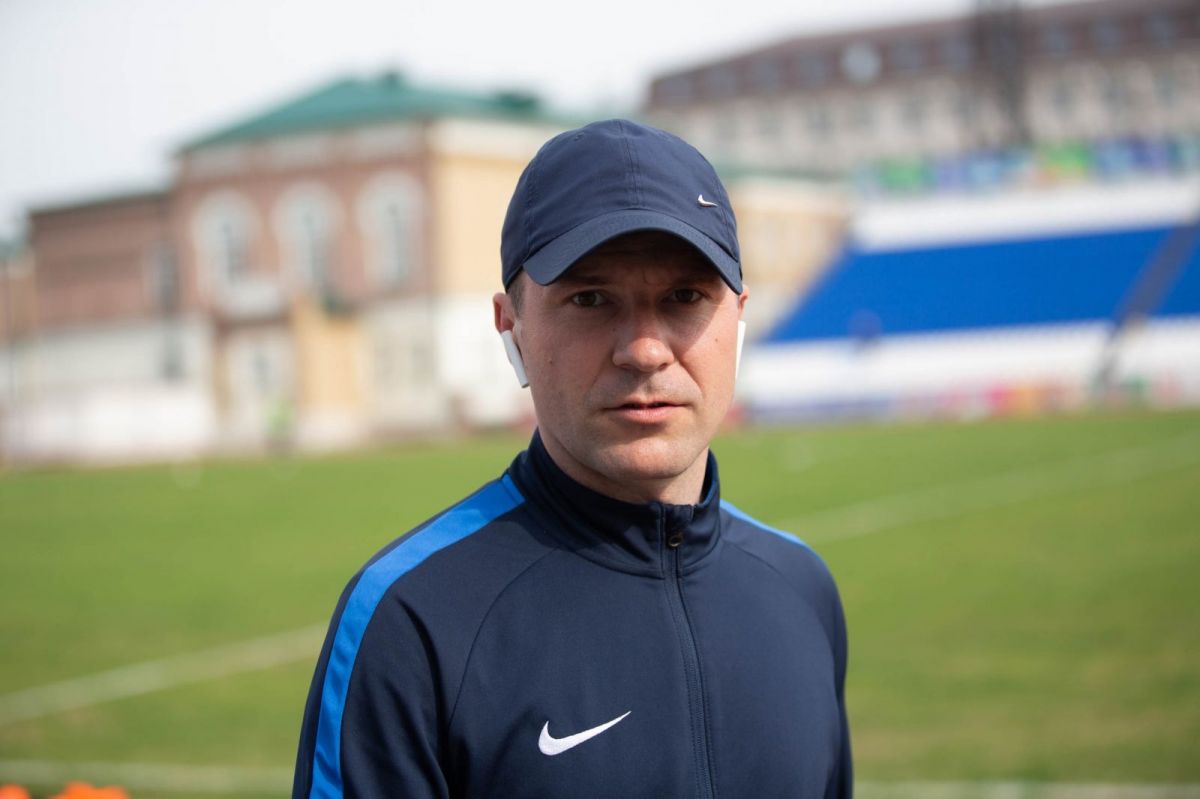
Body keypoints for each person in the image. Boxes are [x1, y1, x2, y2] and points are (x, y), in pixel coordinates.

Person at [293, 119, 852, 799]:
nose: (644, 350)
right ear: (511, 326)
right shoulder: (412, 620)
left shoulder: (801, 588)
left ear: (738, 318)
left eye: (684, 297)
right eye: (590, 299)